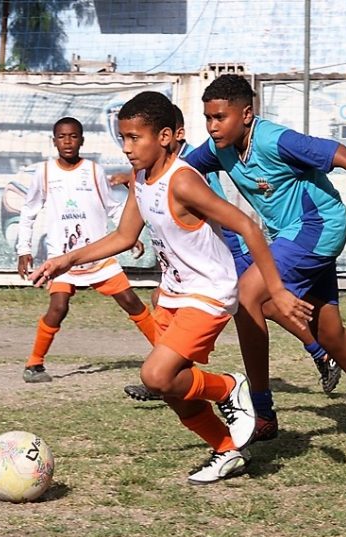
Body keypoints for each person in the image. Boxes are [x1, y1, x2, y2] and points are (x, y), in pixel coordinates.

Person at [31, 92, 313, 483]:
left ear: (165, 137)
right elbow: (125, 236)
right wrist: (67, 259)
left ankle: (230, 387)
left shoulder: (183, 182)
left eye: (134, 138)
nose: (127, 148)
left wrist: (278, 290)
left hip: (209, 293)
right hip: (174, 294)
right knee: (173, 390)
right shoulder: (141, 179)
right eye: (123, 139)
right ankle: (227, 450)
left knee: (156, 376)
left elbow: (247, 227)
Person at [184, 74, 346, 445]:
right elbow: (183, 170)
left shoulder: (277, 139)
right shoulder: (219, 149)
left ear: (246, 114)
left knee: (247, 298)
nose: (212, 127)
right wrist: (143, 178)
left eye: (220, 118)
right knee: (328, 331)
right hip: (292, 236)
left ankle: (261, 414)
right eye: (208, 118)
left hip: (318, 226)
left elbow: (343, 156)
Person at [122, 105, 342, 421]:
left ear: (172, 134)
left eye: (136, 137)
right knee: (257, 308)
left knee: (260, 306)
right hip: (199, 262)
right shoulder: (163, 165)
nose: (131, 146)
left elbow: (210, 211)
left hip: (227, 252)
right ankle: (166, 373)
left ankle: (178, 377)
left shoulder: (187, 166)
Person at [17, 116, 156, 383]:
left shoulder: (93, 170)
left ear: (82, 140)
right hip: (62, 259)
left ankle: (166, 353)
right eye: (62, 137)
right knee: (58, 307)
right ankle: (34, 364)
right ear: (54, 141)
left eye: (73, 136)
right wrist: (24, 248)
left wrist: (130, 235)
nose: (67, 142)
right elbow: (29, 211)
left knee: (130, 301)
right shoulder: (44, 172)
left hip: (98, 256)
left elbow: (112, 206)